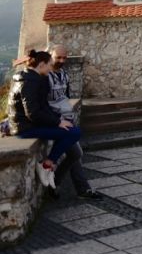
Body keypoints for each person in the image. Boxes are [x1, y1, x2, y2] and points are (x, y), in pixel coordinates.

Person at [8, 50, 82, 190]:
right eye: (49, 64)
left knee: (70, 129)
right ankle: (47, 165)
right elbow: (33, 113)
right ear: (41, 64)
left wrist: (58, 119)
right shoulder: (30, 82)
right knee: (73, 132)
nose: (50, 67)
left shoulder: (31, 78)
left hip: (27, 125)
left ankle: (48, 166)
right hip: (25, 129)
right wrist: (57, 122)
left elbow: (43, 106)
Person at [46, 44, 101, 199]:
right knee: (76, 153)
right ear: (51, 55)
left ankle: (58, 184)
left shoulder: (64, 74)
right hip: (54, 123)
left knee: (75, 154)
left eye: (64, 58)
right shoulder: (45, 76)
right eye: (58, 57)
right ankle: (77, 188)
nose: (62, 60)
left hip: (66, 121)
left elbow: (66, 99)